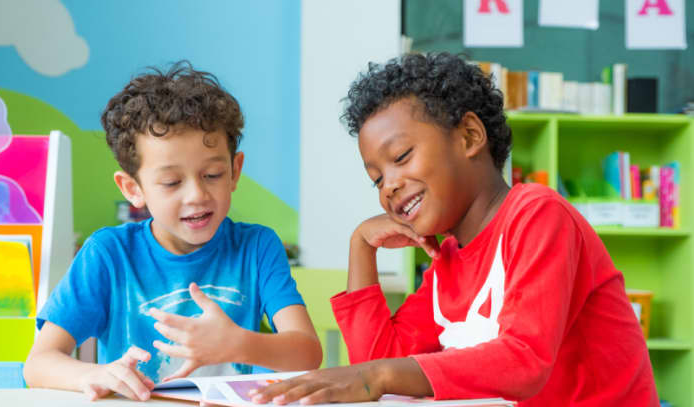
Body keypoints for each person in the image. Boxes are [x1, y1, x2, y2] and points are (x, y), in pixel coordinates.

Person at [250, 53, 658, 406]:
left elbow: (523, 360)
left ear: (469, 136)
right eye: (376, 179)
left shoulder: (539, 215)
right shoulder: (448, 260)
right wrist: (361, 247)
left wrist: (376, 377)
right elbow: (377, 360)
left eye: (402, 156)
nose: (389, 184)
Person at [23, 62, 322, 401]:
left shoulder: (256, 247)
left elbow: (307, 353)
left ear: (235, 171)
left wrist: (237, 343)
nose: (196, 195)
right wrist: (95, 373)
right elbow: (38, 364)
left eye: (212, 174)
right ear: (133, 188)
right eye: (171, 182)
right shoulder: (108, 254)